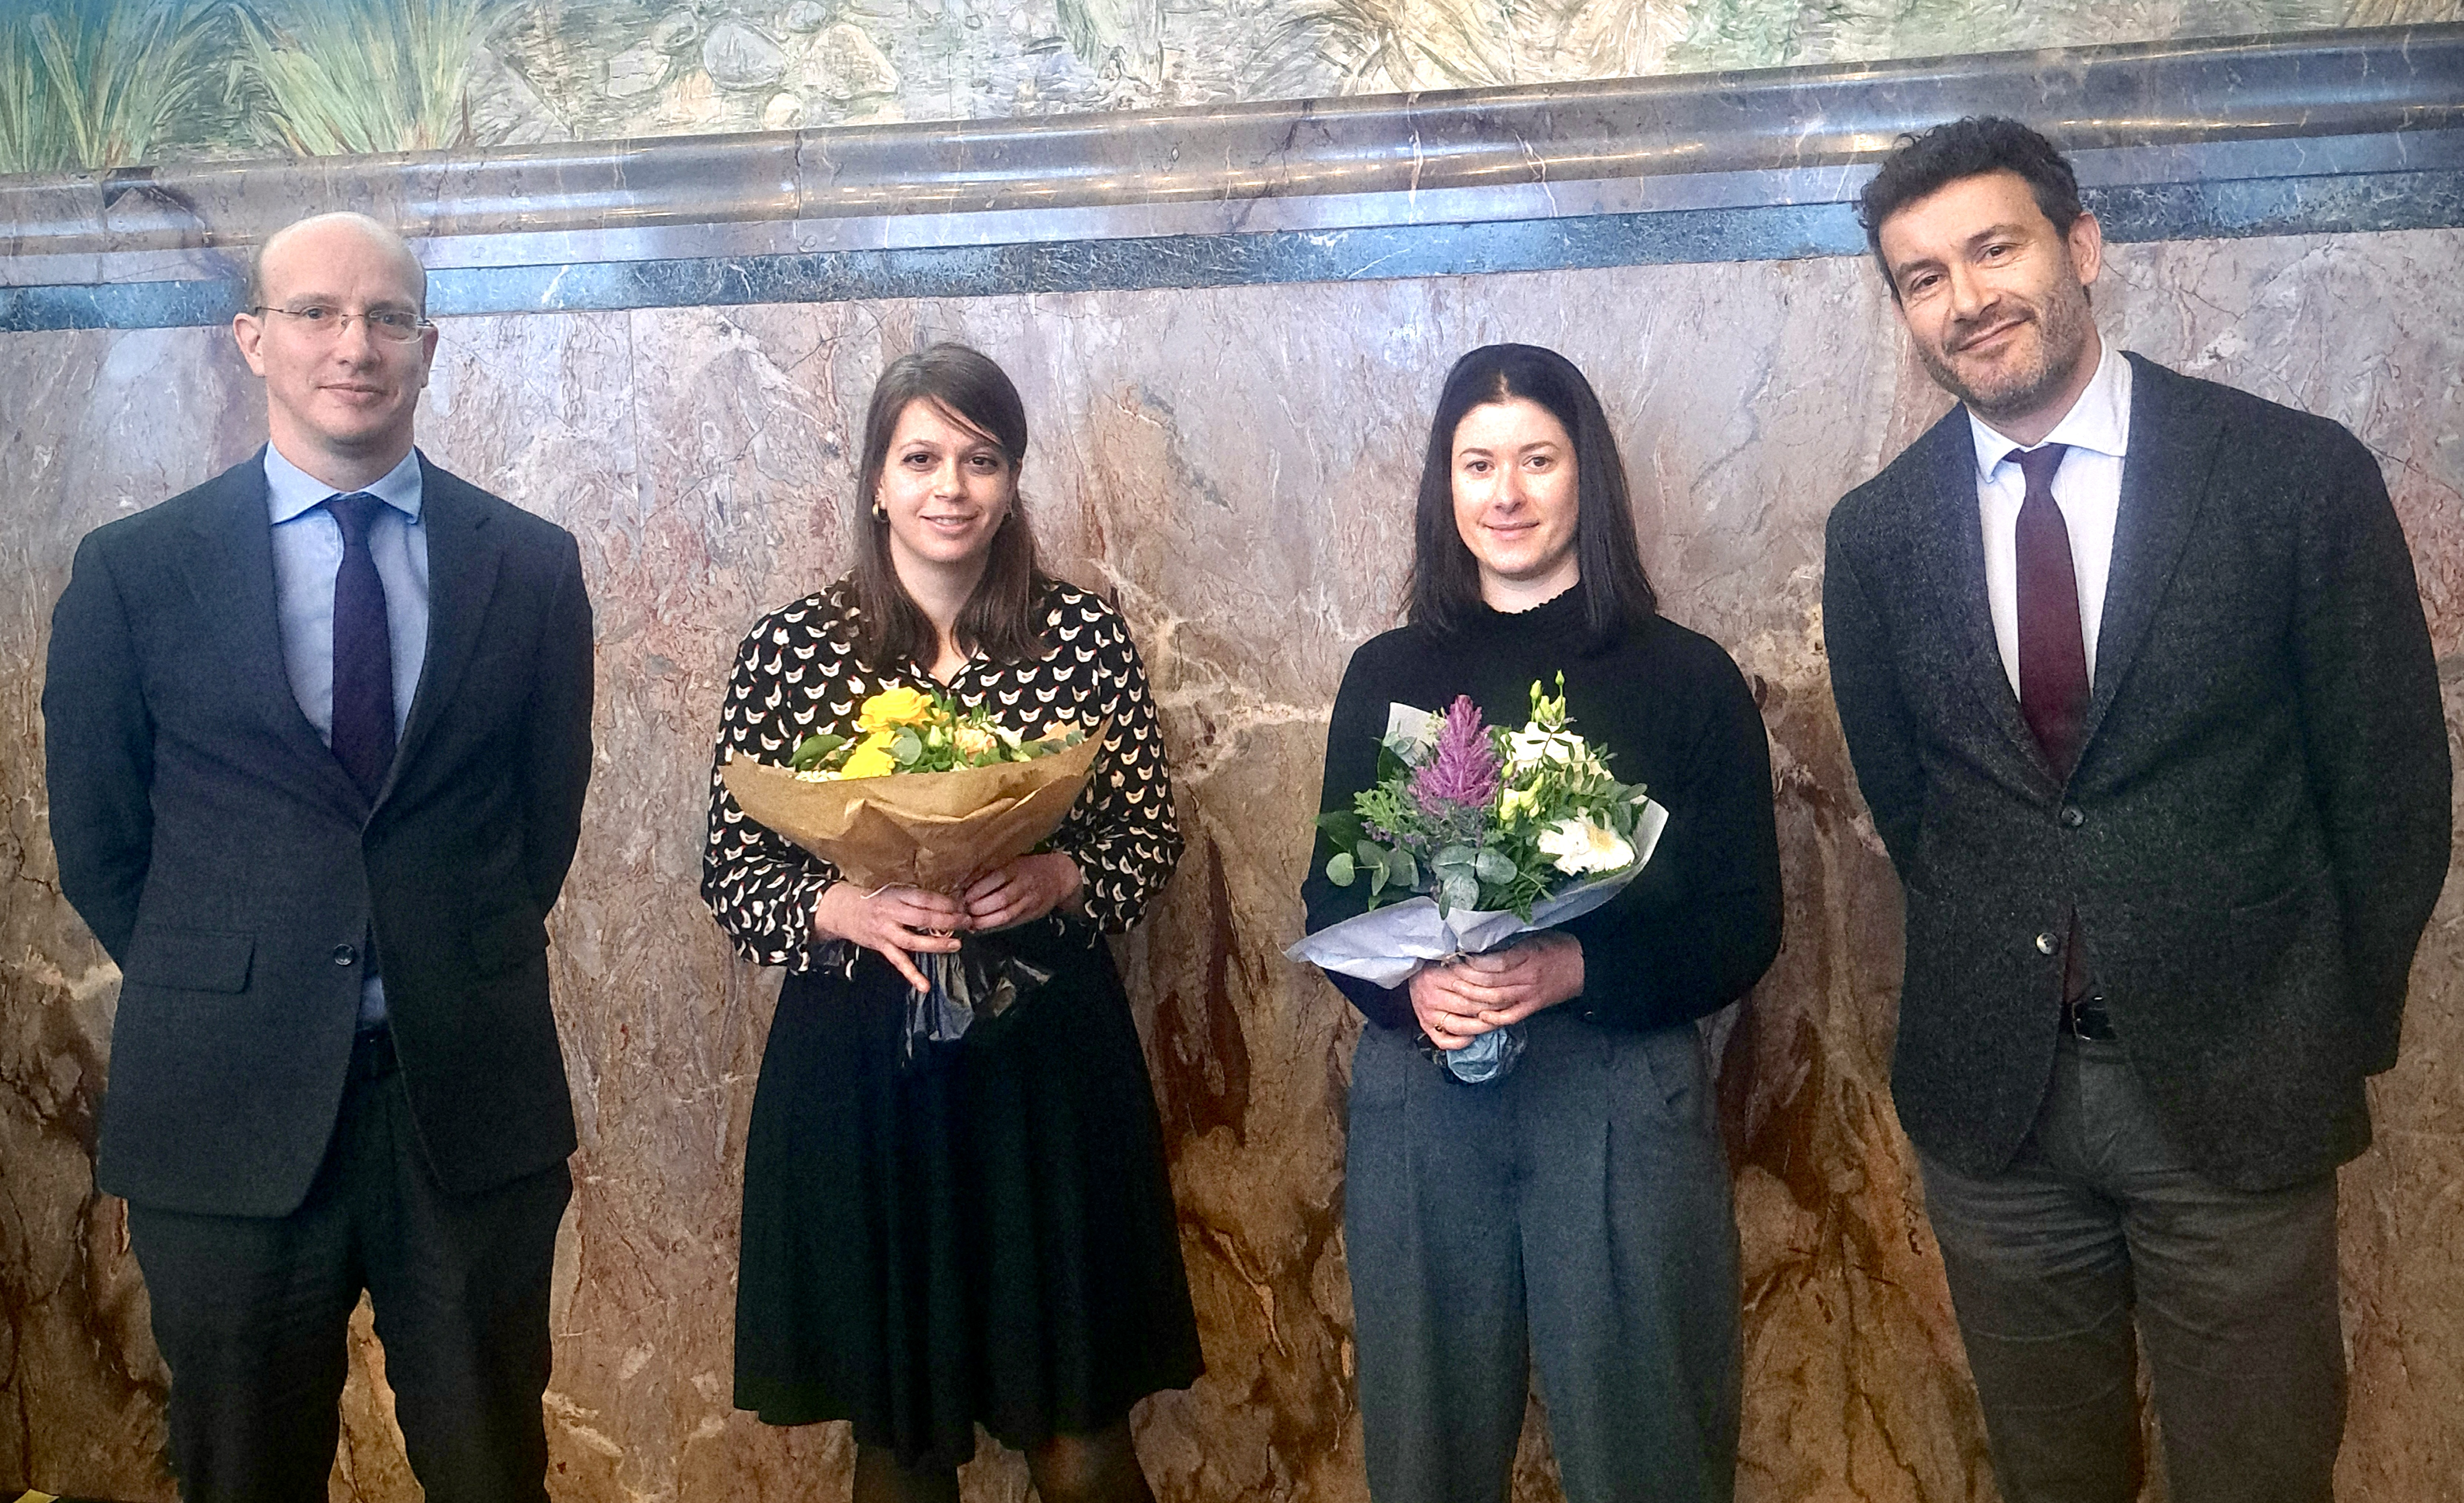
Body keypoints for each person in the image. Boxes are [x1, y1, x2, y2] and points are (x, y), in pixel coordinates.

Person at [1822, 117, 2451, 1503]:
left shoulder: (2292, 477)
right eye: (1922, 276)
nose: (1967, 296)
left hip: (2239, 1096)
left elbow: (2394, 795)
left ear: (2082, 247)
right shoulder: (1876, 533)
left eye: (1996, 247)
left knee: (2262, 1474)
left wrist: (2313, 1031)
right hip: (2001, 1118)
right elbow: (1914, 805)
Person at [40, 211, 595, 1501]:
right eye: (317, 313)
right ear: (253, 340)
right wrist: (244, 975)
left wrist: (435, 951)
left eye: (388, 317)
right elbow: (103, 841)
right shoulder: (134, 574)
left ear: (429, 346)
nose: (356, 344)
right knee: (240, 1475)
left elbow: (541, 818)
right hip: (225, 1114)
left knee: (494, 1469)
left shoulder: (531, 565)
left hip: (461, 1101)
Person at [703, 342, 1199, 1503]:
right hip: (865, 1069)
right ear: (876, 479)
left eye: (981, 459)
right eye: (921, 456)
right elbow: (731, 866)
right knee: (901, 1449)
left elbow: (1147, 841)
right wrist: (844, 902)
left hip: (1045, 1071)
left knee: (1080, 1440)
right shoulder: (793, 649)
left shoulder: (1079, 638)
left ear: (1014, 480)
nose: (951, 486)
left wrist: (1059, 881)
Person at [1300, 343, 1781, 1503]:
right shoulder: (1387, 673)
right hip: (1424, 1090)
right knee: (1424, 1452)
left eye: (1536, 459)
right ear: (1445, 486)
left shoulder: (1683, 676)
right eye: (1477, 463)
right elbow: (1332, 899)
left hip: (1617, 1092)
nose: (1505, 493)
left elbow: (1744, 919)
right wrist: (1408, 991)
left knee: (1649, 1446)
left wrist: (1575, 962)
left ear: (1587, 478)